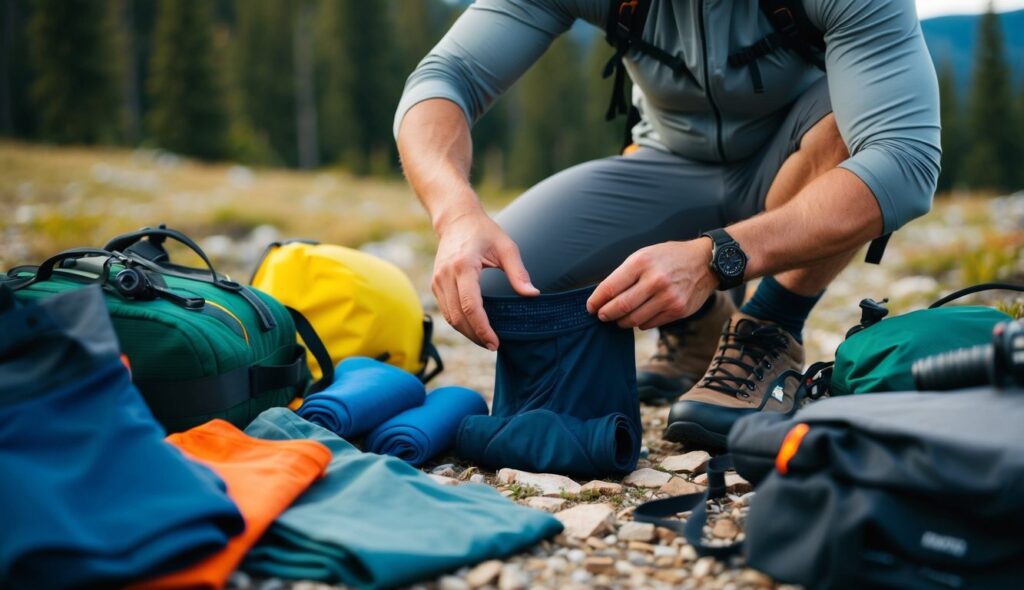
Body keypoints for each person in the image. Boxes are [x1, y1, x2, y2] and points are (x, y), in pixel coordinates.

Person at [394, 0, 940, 450]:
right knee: (498, 281)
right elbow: (448, 75)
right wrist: (457, 214)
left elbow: (903, 159)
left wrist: (713, 257)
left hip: (802, 156)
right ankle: (701, 329)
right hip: (669, 164)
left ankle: (767, 327)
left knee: (858, 127)